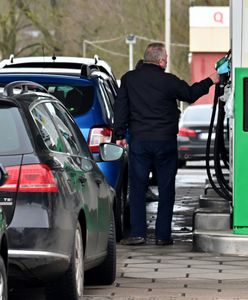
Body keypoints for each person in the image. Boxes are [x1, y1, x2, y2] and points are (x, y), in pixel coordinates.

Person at [114, 42, 219, 246]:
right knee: (166, 188)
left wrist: (119, 135)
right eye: (167, 59)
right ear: (161, 61)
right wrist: (211, 80)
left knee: (137, 188)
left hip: (140, 142)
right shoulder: (168, 81)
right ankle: (163, 236)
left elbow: (121, 108)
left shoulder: (129, 79)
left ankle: (138, 234)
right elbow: (189, 94)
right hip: (165, 142)